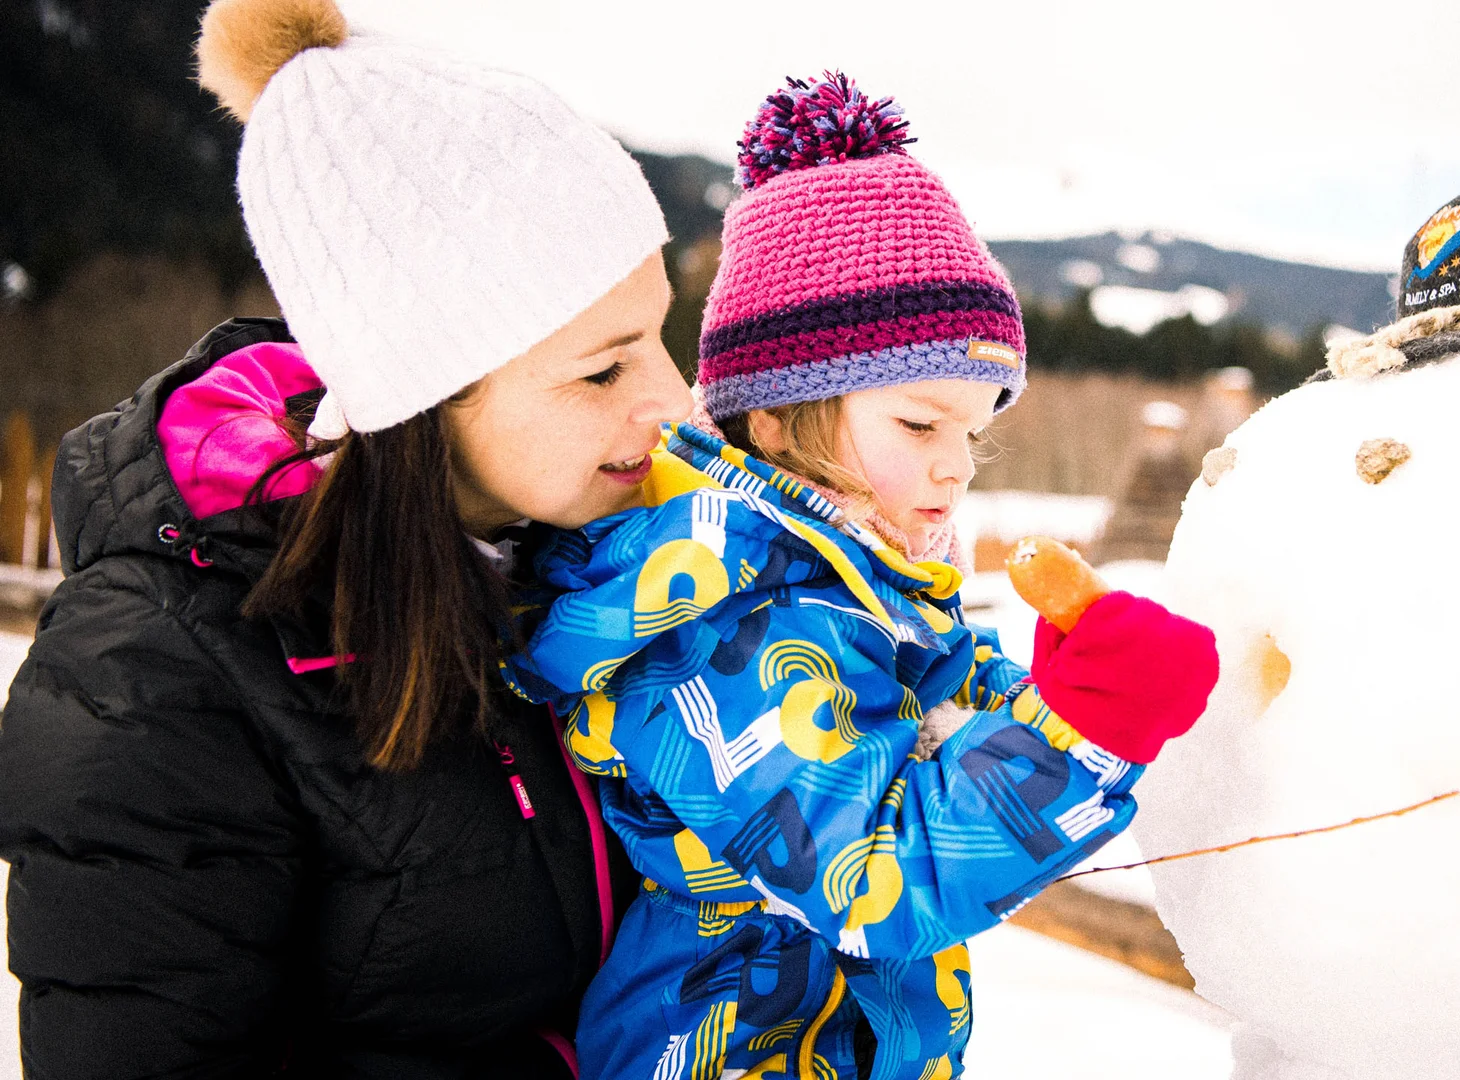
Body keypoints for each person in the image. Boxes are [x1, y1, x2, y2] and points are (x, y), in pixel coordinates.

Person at [0, 0, 695, 1073]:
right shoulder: (156, 675)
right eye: (603, 368)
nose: (677, 400)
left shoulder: (583, 572)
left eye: (660, 335)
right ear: (420, 395)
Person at [500, 74, 1222, 1080]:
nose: (956, 466)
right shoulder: (717, 621)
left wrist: (1071, 688)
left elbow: (961, 735)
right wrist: (1087, 731)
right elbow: (872, 873)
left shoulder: (870, 590)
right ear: (773, 416)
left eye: (973, 433)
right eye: (920, 424)